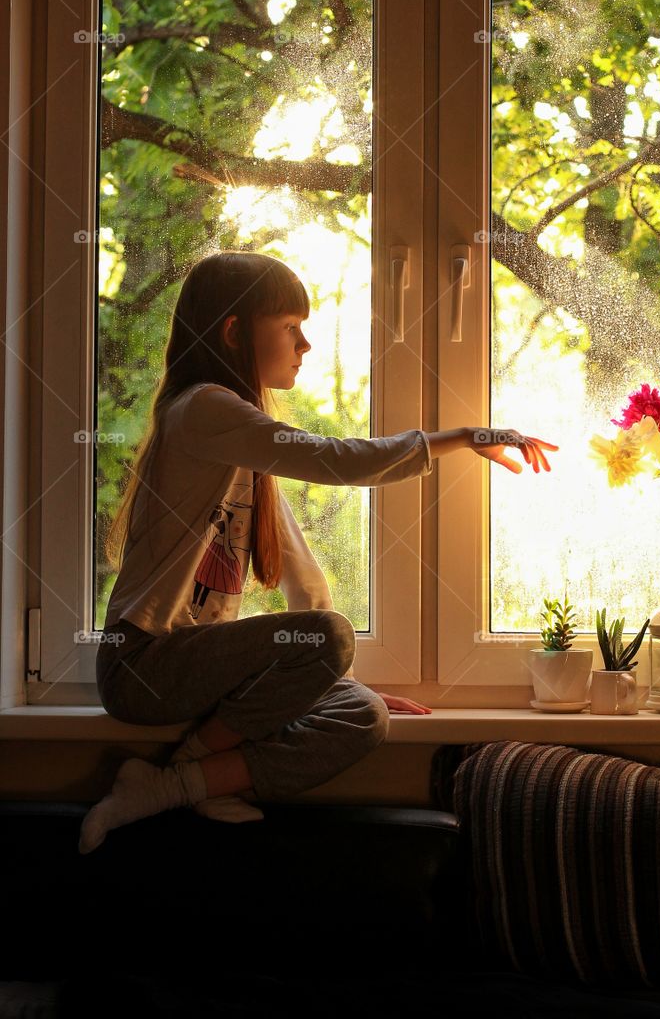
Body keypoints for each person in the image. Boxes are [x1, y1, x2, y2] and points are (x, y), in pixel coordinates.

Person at [79, 250, 559, 854]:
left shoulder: (240, 447)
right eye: (289, 327)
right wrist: (465, 436)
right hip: (142, 666)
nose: (304, 344)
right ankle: (185, 770)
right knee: (329, 636)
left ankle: (172, 783)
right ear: (234, 331)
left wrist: (330, 676)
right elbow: (337, 460)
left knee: (363, 713)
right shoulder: (201, 407)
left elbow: (303, 581)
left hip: (193, 669)